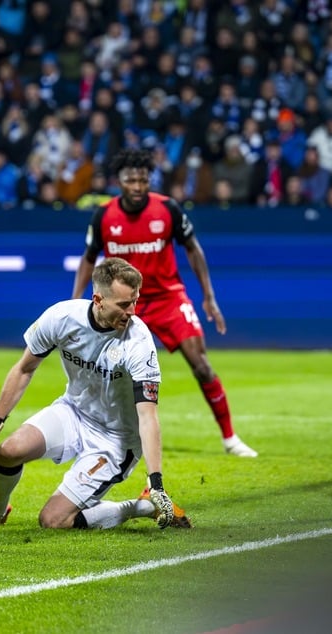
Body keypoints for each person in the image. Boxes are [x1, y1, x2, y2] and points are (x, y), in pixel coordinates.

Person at [0, 257, 190, 530]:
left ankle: (144, 505)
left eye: (135, 302)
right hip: (73, 412)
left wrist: (156, 483)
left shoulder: (139, 342)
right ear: (98, 299)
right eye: (123, 304)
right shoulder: (62, 317)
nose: (132, 311)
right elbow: (24, 369)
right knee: (9, 451)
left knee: (53, 520)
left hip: (116, 440)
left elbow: (148, 417)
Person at [71, 148, 258, 458]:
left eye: (143, 180)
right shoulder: (104, 215)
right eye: (130, 180)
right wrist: (76, 301)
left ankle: (230, 438)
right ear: (120, 181)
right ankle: (100, 437)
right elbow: (88, 259)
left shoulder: (168, 209)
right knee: (107, 374)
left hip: (168, 298)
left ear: (149, 180)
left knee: (201, 365)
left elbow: (193, 249)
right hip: (124, 305)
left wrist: (208, 297)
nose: (137, 186)